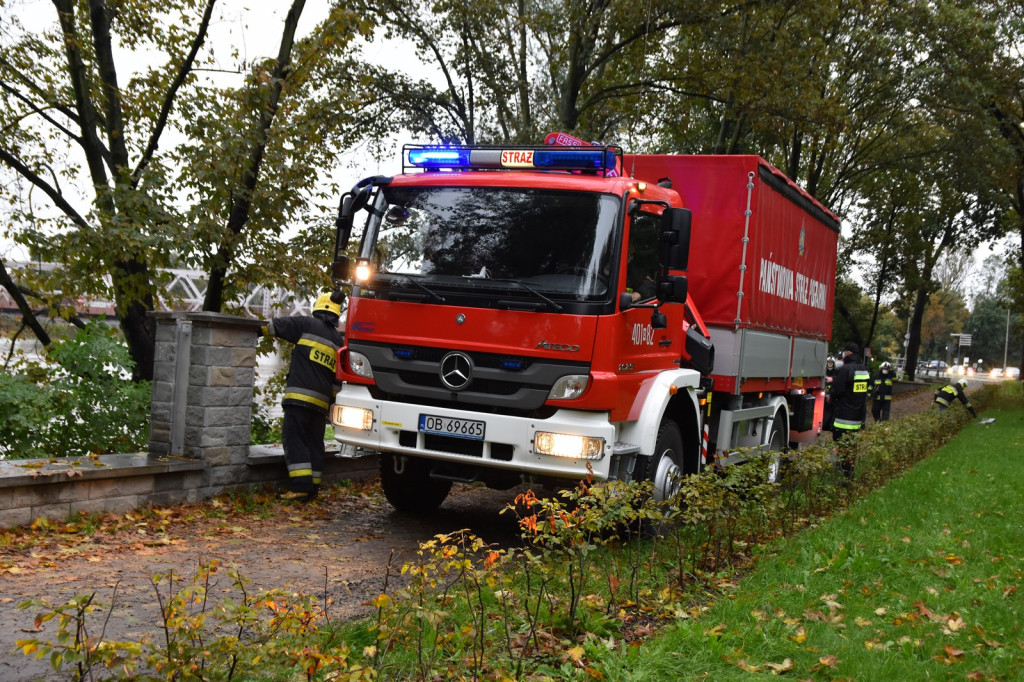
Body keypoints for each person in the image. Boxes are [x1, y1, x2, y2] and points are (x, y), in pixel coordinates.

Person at [263, 293, 346, 502]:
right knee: (314, 442)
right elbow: (338, 380)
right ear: (336, 315)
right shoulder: (339, 341)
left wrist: (252, 329)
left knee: (294, 438)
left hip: (298, 399)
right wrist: (331, 404)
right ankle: (313, 488)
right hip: (321, 405)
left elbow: (274, 326)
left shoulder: (306, 324)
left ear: (317, 309)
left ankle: (300, 487)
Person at [829, 342, 871, 478]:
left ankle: (843, 473)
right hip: (857, 416)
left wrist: (831, 396)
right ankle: (849, 472)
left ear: (848, 353)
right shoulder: (864, 370)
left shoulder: (846, 369)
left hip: (843, 416)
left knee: (841, 443)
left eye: (844, 351)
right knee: (851, 445)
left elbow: (838, 389)